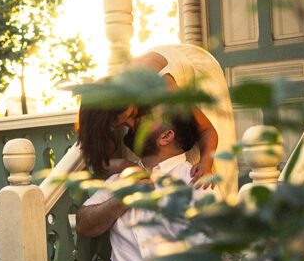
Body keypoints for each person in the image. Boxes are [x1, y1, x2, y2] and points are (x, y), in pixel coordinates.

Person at [45, 108, 206, 261]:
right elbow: (84, 224)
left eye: (149, 118)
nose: (135, 121)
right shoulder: (119, 179)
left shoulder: (194, 181)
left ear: (166, 136)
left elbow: (203, 254)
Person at [76, 44, 238, 198]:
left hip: (194, 69)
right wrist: (124, 165)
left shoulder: (162, 86)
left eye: (132, 115)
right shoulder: (108, 108)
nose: (131, 126)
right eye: (122, 125)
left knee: (210, 167)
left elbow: (206, 130)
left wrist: (205, 164)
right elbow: (96, 162)